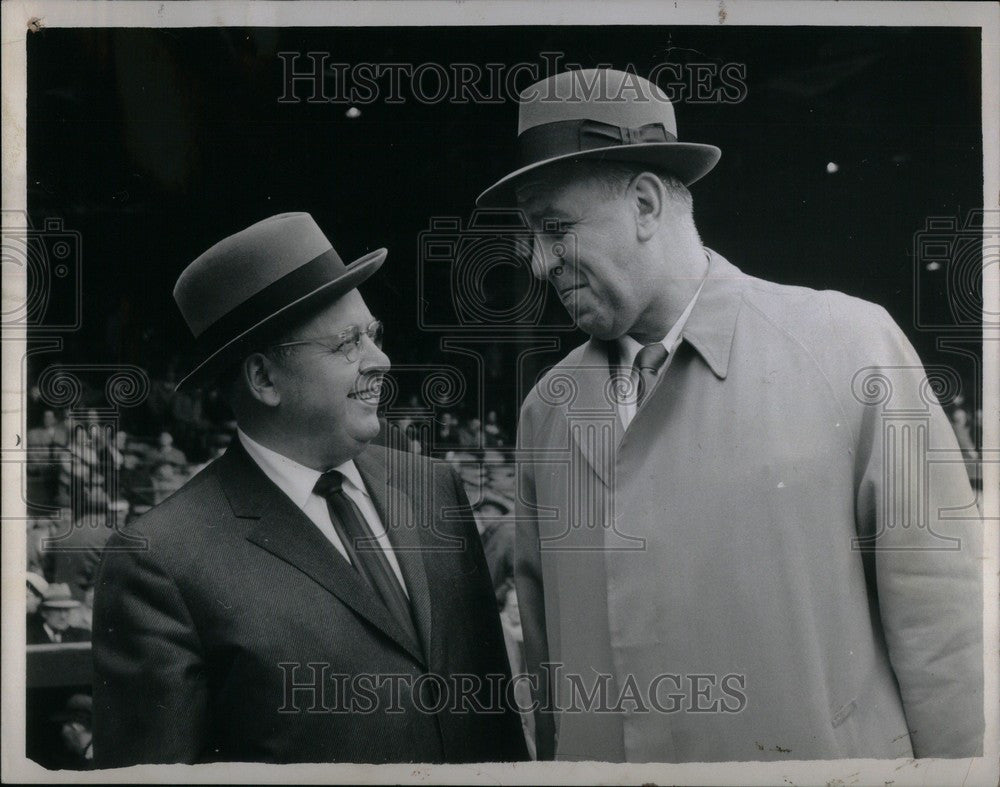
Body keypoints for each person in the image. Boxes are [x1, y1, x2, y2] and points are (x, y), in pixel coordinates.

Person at [476, 69, 983, 762]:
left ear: (647, 204)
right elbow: (546, 667)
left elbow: (945, 642)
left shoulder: (853, 347)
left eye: (555, 228)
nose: (537, 263)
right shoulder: (548, 411)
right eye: (532, 236)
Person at [93, 212, 527, 766]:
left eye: (373, 335)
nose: (381, 361)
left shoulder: (433, 488)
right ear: (264, 379)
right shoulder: (161, 563)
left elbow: (496, 727)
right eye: (348, 344)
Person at [27, 583, 91, 644]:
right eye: (57, 610)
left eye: (66, 610)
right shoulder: (29, 637)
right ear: (44, 613)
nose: (63, 616)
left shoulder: (83, 637)